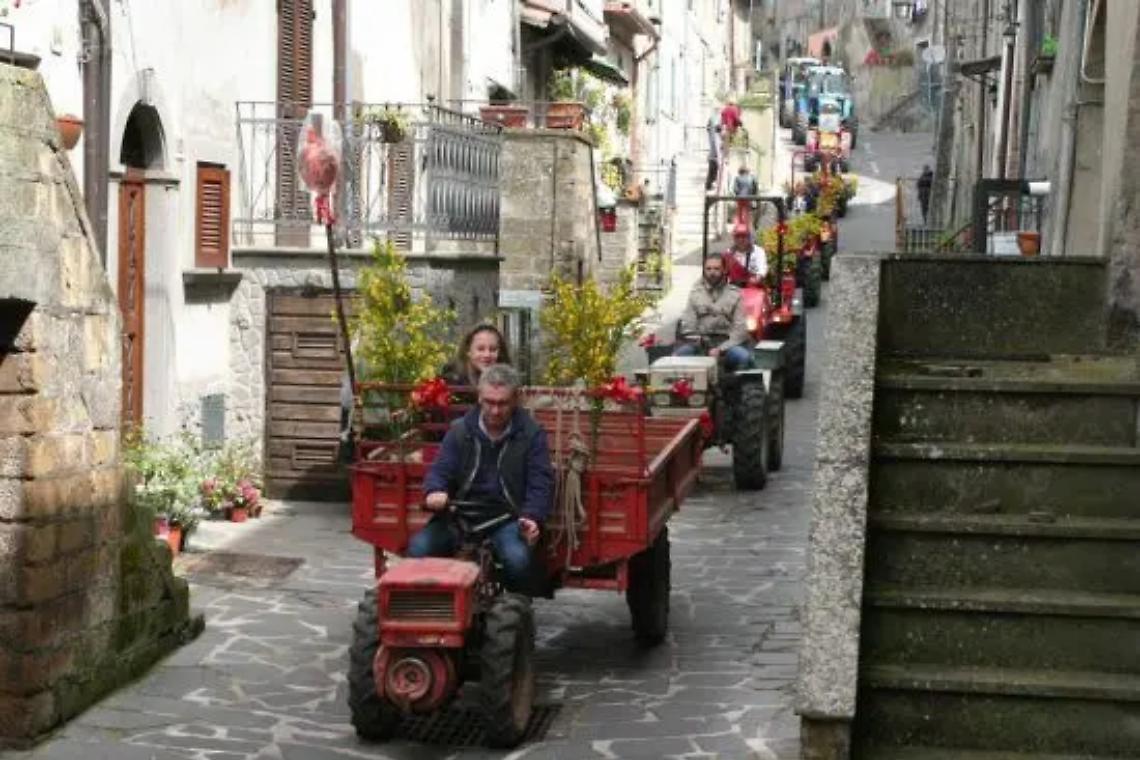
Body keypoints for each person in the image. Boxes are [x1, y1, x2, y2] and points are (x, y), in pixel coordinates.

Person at [409, 364, 554, 595]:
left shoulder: (531, 434)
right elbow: (441, 469)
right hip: (459, 516)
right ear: (479, 397)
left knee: (519, 562)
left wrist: (532, 517)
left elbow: (541, 481)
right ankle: (433, 608)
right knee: (418, 548)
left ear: (515, 399)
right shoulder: (459, 431)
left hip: (507, 518)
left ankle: (518, 612)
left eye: (502, 403)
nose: (495, 410)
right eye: (489, 402)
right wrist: (435, 490)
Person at [674, 253, 752, 371]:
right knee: (675, 358)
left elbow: (740, 330)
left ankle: (741, 387)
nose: (712, 272)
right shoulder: (695, 294)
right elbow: (688, 323)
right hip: (699, 344)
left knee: (745, 358)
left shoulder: (735, 294)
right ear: (704, 270)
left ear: (724, 270)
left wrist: (721, 349)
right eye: (708, 269)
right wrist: (696, 339)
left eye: (716, 268)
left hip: (727, 345)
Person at [440, 324, 511, 387]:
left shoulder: (509, 382)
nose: (487, 355)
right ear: (468, 351)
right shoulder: (449, 383)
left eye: (493, 350)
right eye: (480, 349)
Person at [705, 115, 722, 192]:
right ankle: (709, 185)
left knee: (711, 172)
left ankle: (709, 185)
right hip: (714, 157)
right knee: (712, 172)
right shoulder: (716, 137)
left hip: (712, 157)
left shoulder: (712, 135)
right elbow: (716, 147)